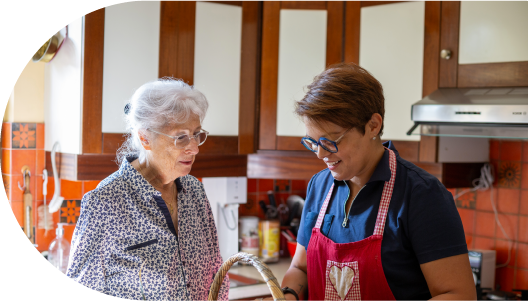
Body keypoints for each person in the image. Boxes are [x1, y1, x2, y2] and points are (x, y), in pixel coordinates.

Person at [269, 63, 476, 301]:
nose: (320, 154)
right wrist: (288, 295)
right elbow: (301, 269)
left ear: (373, 126)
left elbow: (458, 295)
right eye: (312, 142)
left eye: (330, 141)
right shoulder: (319, 186)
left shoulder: (422, 195)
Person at [66, 78, 229, 300]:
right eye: (180, 137)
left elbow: (217, 274)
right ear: (145, 138)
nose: (194, 148)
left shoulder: (194, 191)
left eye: (196, 134)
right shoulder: (106, 202)